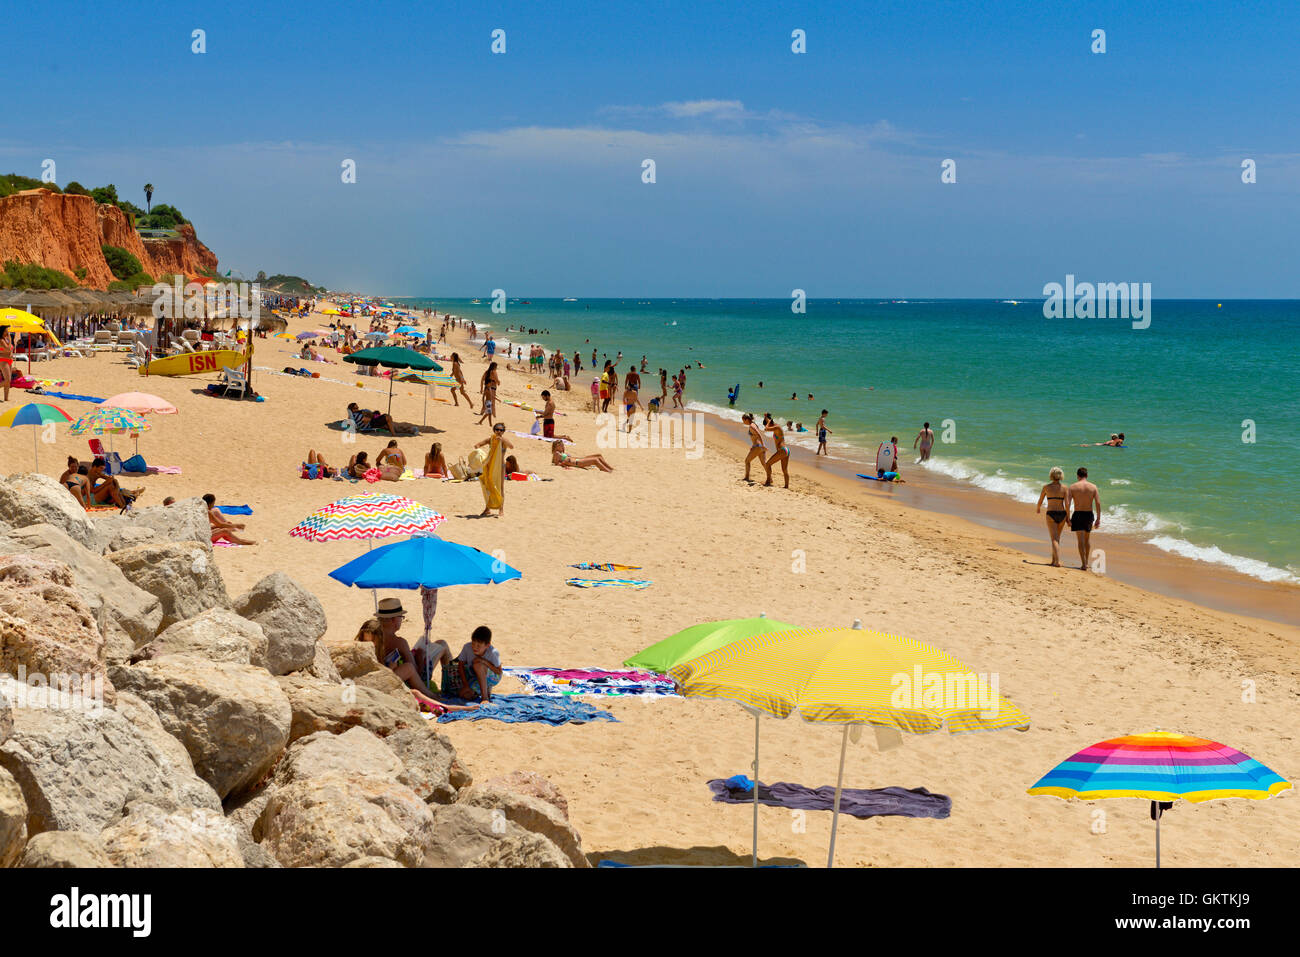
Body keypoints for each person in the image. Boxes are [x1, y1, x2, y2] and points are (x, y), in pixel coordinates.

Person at [368, 602, 475, 715]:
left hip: (390, 675)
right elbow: (416, 671)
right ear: (394, 620)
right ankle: (453, 686)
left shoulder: (374, 636)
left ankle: (451, 685)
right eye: (401, 617)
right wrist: (419, 657)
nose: (401, 621)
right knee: (442, 646)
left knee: (439, 643)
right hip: (411, 680)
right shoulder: (399, 642)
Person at [448, 625, 503, 703]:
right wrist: (466, 685)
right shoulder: (467, 647)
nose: (475, 647)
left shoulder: (493, 652)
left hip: (493, 678)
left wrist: (484, 661)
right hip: (476, 677)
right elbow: (461, 666)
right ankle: (483, 690)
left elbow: (499, 672)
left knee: (478, 664)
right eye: (473, 644)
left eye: (478, 645)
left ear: (487, 645)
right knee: (464, 694)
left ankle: (485, 697)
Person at [1066, 467, 1102, 571]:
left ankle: (1083, 564)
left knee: (1080, 540)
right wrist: (1098, 518)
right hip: (1089, 515)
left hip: (1077, 514)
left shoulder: (1072, 487)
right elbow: (1098, 503)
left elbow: (1067, 504)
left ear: (1078, 476)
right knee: (1087, 539)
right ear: (1086, 475)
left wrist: (1068, 518)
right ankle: (1086, 562)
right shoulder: (1093, 487)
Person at [1035, 466, 1069, 567]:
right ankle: (1053, 561)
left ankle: (1057, 561)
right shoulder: (1065, 488)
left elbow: (1040, 500)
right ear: (1061, 476)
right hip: (1062, 514)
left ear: (1051, 475)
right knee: (1057, 538)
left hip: (1051, 513)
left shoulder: (1046, 487)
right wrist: (1068, 517)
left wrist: (1038, 508)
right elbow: (1067, 504)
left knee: (1054, 539)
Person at [475, 424, 512, 516]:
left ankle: (501, 509)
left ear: (503, 431)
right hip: (490, 465)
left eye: (501, 430)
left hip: (500, 466)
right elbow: (478, 444)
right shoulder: (491, 439)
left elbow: (511, 446)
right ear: (494, 430)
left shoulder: (504, 440)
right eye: (497, 429)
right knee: (488, 486)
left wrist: (502, 440)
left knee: (500, 487)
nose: (499, 431)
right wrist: (478, 450)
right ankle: (487, 508)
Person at [763, 414, 790, 488]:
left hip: (782, 450)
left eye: (769, 424)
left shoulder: (777, 427)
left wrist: (768, 422)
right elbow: (769, 423)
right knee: (784, 470)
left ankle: (768, 481)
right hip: (785, 450)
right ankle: (786, 486)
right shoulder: (775, 427)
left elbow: (766, 428)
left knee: (768, 464)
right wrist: (766, 418)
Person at [742, 413, 766, 482]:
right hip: (758, 446)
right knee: (764, 463)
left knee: (747, 461)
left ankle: (747, 477)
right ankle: (770, 478)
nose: (743, 422)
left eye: (743, 420)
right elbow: (755, 437)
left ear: (747, 419)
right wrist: (753, 446)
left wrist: (763, 445)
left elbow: (758, 434)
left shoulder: (752, 426)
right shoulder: (754, 424)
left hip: (758, 446)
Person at [0, 325, 12, 402]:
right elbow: (8, 349)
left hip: (9, 360)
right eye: (6, 331)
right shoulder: (1, 340)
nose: (7, 332)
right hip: (3, 360)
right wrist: (10, 339)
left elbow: (10, 350)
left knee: (8, 382)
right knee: (7, 380)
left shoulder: (5, 339)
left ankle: (6, 398)